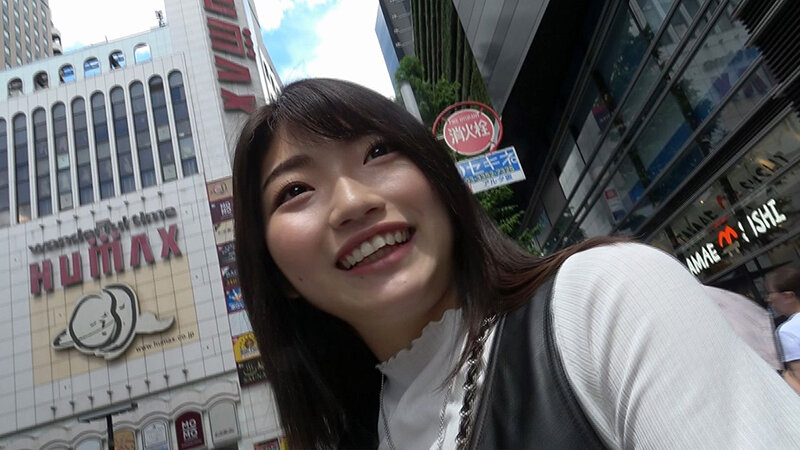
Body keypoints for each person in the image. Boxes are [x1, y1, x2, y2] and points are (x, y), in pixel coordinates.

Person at [231, 78, 800, 449]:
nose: (353, 202)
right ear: (277, 275)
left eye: (378, 151)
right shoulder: (359, 435)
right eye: (295, 191)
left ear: (439, 181)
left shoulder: (602, 301)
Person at [766, 267, 800, 394]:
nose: (768, 299)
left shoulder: (787, 331)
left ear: (788, 295)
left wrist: (785, 375)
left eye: (770, 293)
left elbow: (798, 377)